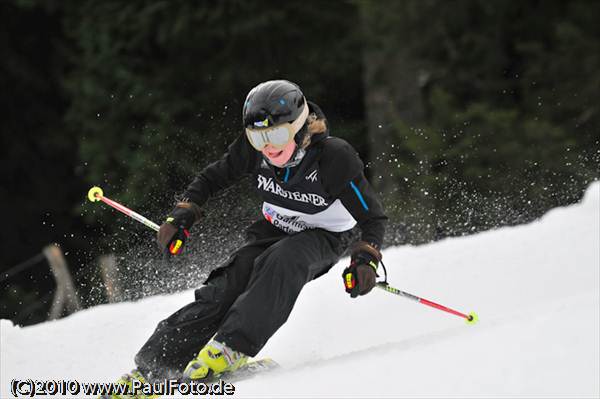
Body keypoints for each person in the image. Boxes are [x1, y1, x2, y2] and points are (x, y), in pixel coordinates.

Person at [132, 80, 387, 383]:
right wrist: (184, 213)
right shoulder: (254, 151)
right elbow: (213, 177)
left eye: (277, 134)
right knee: (228, 285)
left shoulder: (334, 158)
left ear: (299, 127)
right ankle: (155, 365)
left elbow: (373, 218)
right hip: (273, 227)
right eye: (258, 138)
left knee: (284, 258)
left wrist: (366, 257)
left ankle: (231, 348)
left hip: (325, 234)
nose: (268, 146)